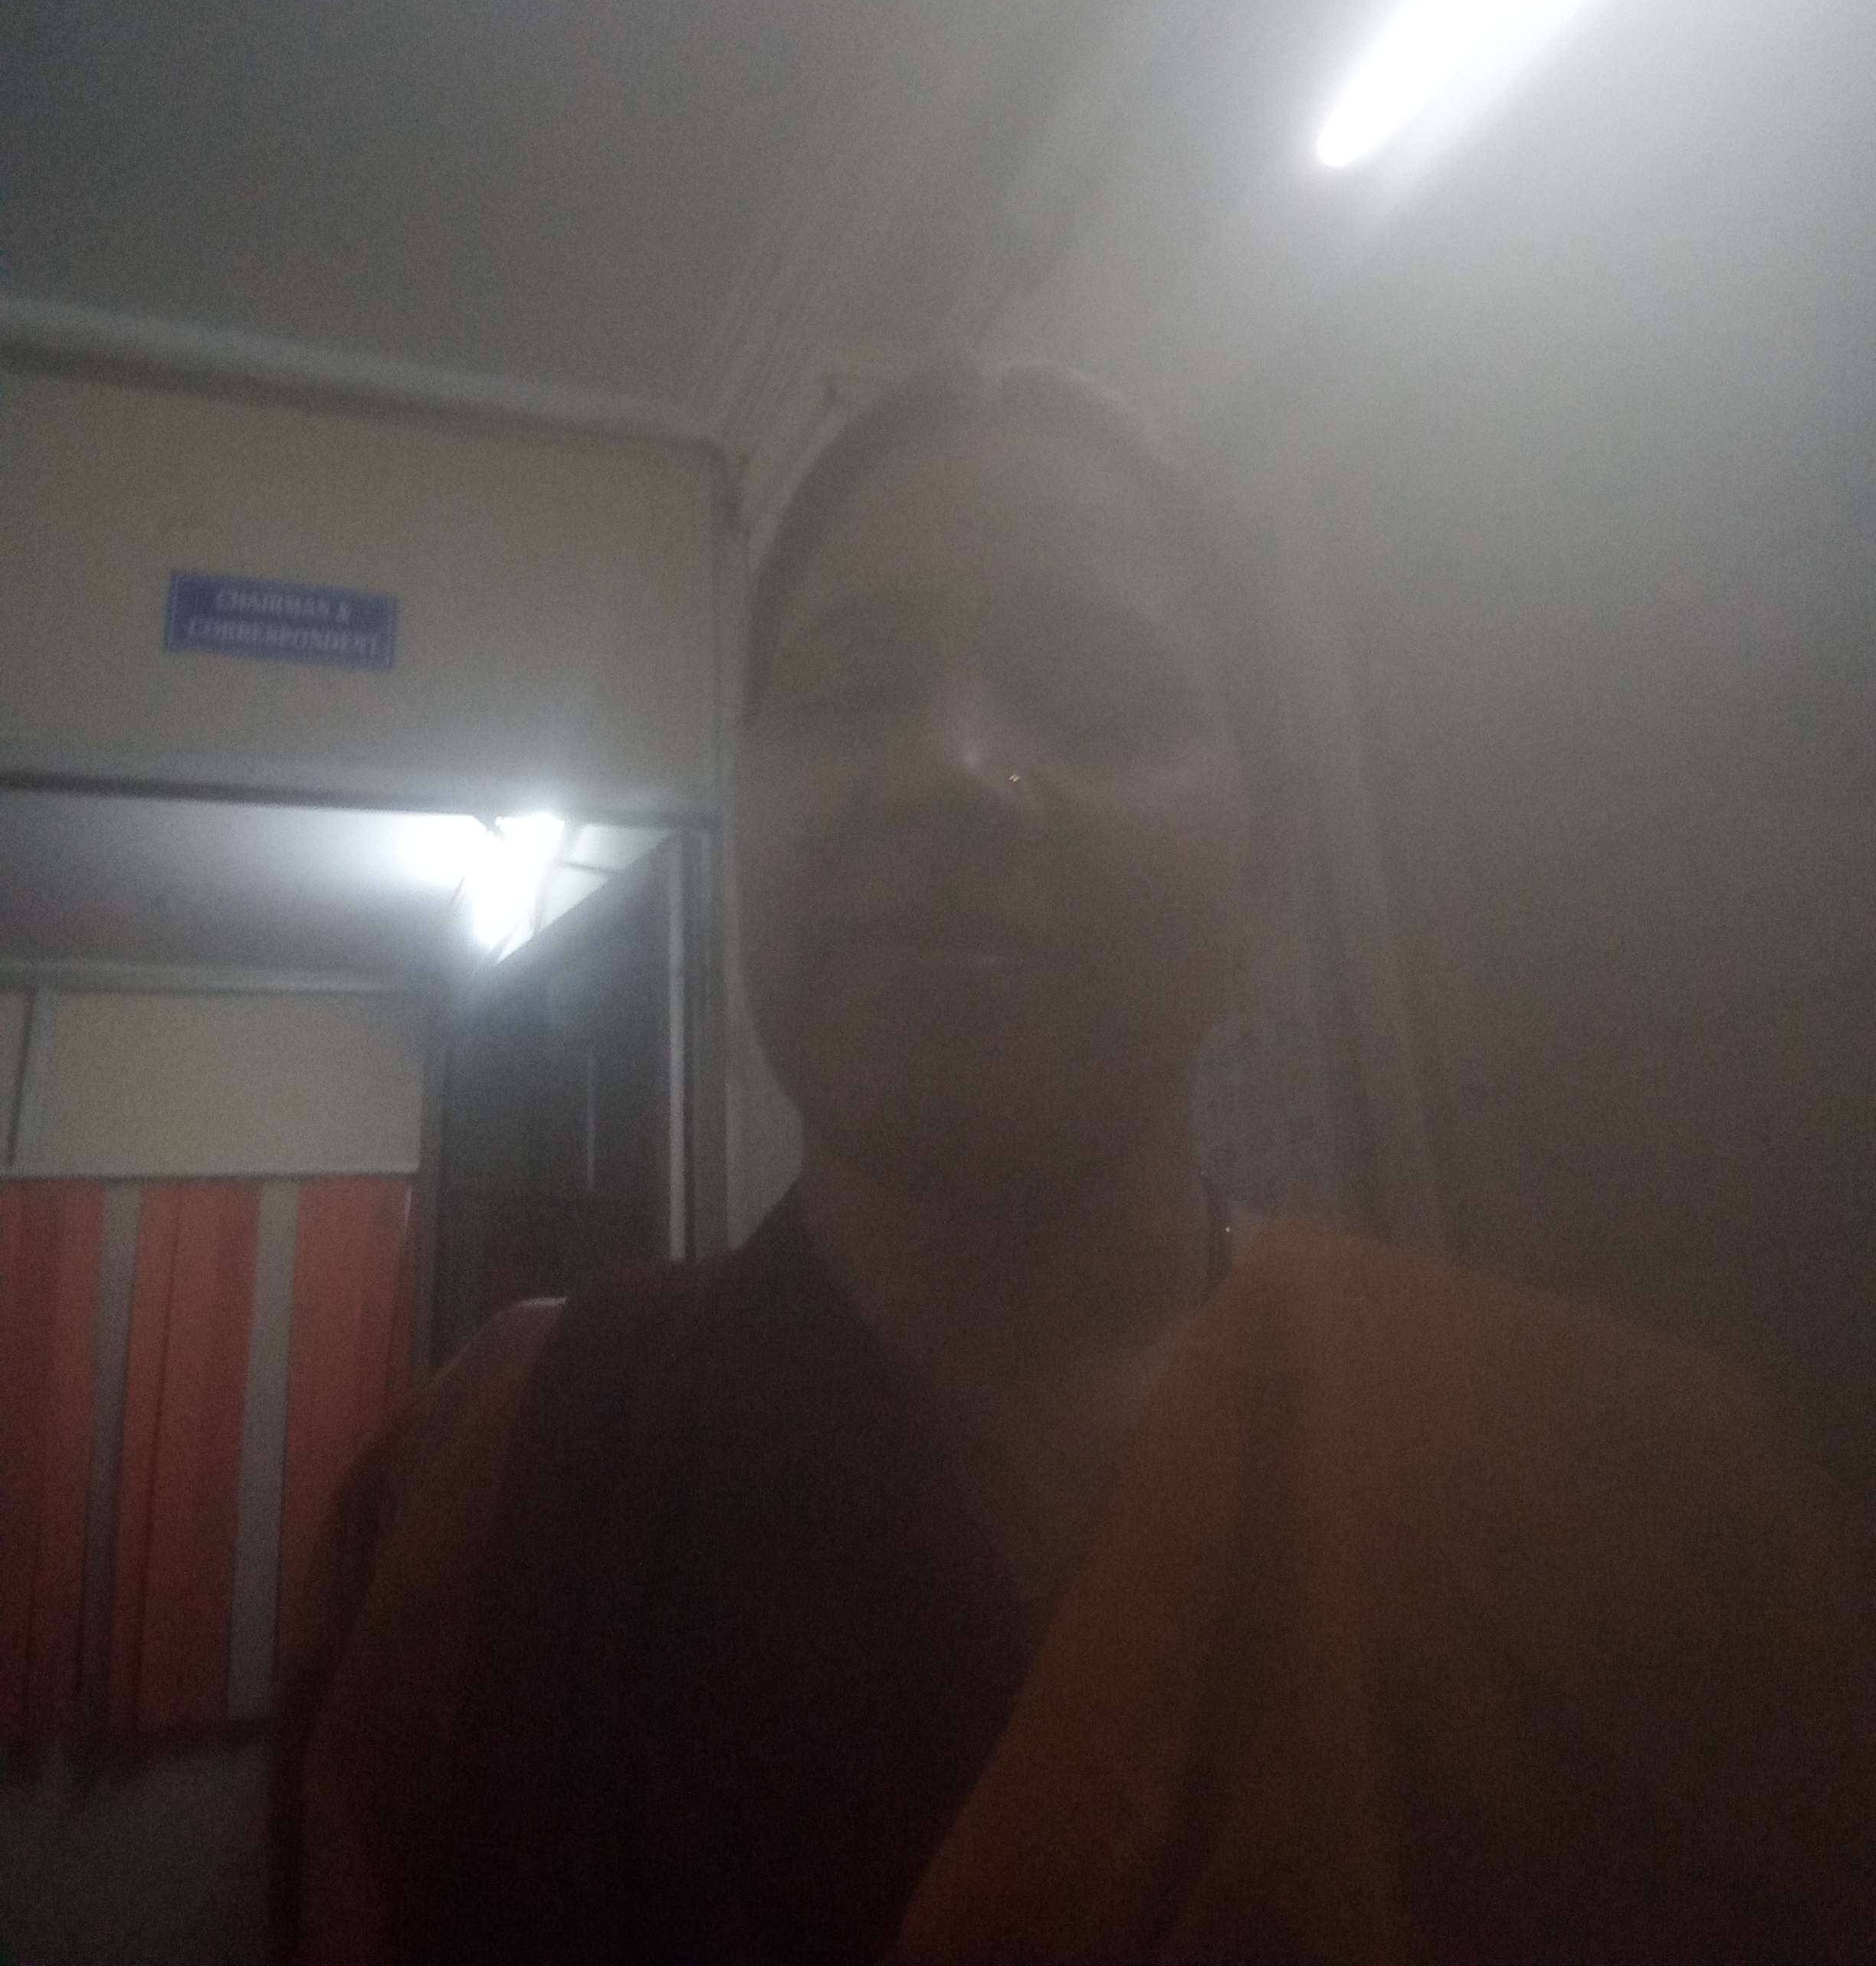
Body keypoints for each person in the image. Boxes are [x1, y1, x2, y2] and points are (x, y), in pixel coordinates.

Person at [275, 361, 1874, 1965]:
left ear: (1263, 866)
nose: (950, 771)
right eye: (852, 693)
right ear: (745, 813)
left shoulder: (1638, 1507)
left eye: (1100, 700)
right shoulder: (492, 1492)